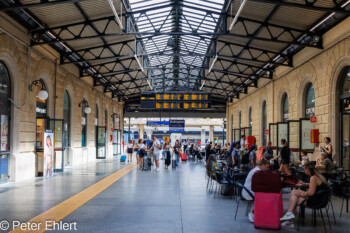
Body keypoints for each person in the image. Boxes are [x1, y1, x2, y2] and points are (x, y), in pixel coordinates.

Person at [280, 162, 328, 229]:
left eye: (304, 169)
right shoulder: (318, 176)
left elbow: (310, 193)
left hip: (316, 201)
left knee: (295, 198)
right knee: (294, 192)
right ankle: (289, 215)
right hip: (321, 199)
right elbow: (314, 184)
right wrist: (304, 184)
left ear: (307, 169)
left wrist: (304, 194)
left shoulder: (313, 178)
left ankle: (290, 220)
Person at [242, 158, 271, 223]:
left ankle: (258, 213)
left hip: (247, 191)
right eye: (267, 167)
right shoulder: (258, 171)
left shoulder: (256, 169)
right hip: (249, 193)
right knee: (267, 197)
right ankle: (254, 213)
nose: (267, 169)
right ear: (263, 164)